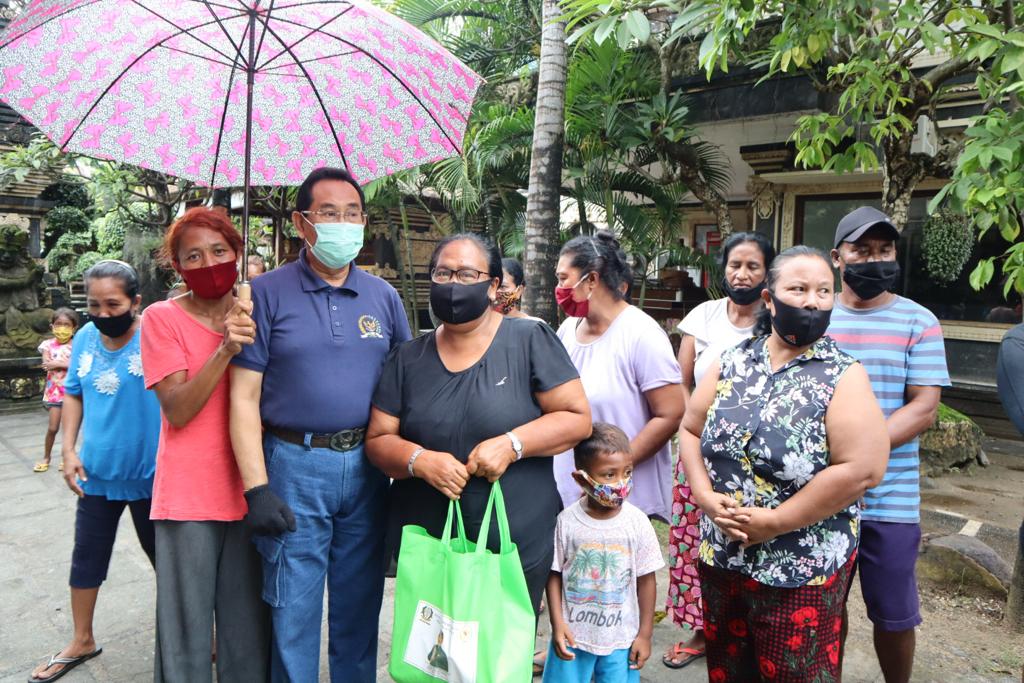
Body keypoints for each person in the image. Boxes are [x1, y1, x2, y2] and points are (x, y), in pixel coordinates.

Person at [229, 167, 411, 683]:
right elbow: (242, 398)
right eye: (328, 213)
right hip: (293, 464)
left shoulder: (384, 297)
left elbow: (406, 384)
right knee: (293, 606)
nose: (343, 224)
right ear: (301, 222)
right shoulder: (262, 294)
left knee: (360, 603)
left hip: (369, 467)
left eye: (352, 214)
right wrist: (257, 488)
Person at [680, 246, 889, 683]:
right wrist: (703, 495)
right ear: (769, 298)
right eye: (799, 289)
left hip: (800, 569)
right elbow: (691, 430)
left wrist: (775, 521)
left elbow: (863, 468)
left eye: (824, 292)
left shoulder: (843, 374)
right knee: (729, 670)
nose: (812, 301)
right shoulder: (732, 361)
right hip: (723, 556)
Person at [366, 233, 591, 616]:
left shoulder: (529, 339)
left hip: (512, 538)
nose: (453, 284)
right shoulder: (407, 358)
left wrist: (512, 443)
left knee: (498, 658)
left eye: (467, 274)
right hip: (430, 539)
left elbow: (576, 419)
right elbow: (378, 439)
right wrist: (419, 460)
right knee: (432, 659)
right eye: (443, 273)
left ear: (492, 286)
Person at [141, 207, 268, 682]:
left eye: (218, 251)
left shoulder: (257, 308)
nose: (208, 262)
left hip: (251, 489)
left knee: (247, 631)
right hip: (188, 498)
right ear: (176, 267)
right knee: (185, 631)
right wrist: (225, 349)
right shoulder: (161, 318)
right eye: (192, 256)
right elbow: (176, 408)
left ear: (237, 253)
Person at [827, 206, 950, 683]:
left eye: (884, 250)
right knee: (821, 609)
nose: (874, 259)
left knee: (895, 615)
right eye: (862, 250)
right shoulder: (815, 318)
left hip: (890, 498)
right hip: (820, 495)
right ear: (838, 258)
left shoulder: (918, 321)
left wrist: (859, 451)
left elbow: (923, 407)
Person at [29, 260, 161, 683]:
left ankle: (200, 631)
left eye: (113, 304)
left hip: (153, 474)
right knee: (87, 557)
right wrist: (67, 449)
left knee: (168, 561)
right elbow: (73, 395)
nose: (103, 314)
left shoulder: (158, 334)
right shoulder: (85, 336)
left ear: (135, 302)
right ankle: (81, 639)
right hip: (97, 472)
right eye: (94, 305)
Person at [664, 232, 775, 669]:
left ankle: (748, 625)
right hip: (698, 449)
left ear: (768, 273)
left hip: (756, 460)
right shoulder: (703, 317)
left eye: (753, 266)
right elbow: (682, 378)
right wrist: (695, 424)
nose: (742, 274)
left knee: (748, 535)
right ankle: (700, 629)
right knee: (695, 539)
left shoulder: (776, 318)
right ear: (722, 268)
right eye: (735, 265)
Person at [552, 231, 684, 522]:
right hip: (572, 500)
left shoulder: (641, 334)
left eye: (563, 278)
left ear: (592, 280)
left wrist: (608, 475)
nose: (558, 287)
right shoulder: (567, 331)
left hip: (624, 505)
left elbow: (670, 414)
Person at [542, 423, 663, 683]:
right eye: (609, 475)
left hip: (622, 639)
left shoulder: (638, 522)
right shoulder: (566, 522)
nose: (621, 483)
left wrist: (645, 634)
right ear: (581, 478)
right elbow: (553, 573)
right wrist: (558, 623)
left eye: (627, 472)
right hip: (573, 636)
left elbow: (646, 580)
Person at [34, 307, 79, 473]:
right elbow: (46, 363)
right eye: (58, 324)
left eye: (66, 324)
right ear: (52, 326)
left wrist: (58, 364)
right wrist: (58, 363)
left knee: (69, 429)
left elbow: (78, 365)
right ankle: (46, 457)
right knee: (52, 428)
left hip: (72, 394)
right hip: (54, 394)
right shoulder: (47, 345)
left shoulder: (77, 345)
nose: (62, 328)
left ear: (74, 327)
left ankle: (67, 457)